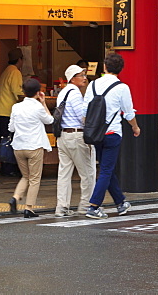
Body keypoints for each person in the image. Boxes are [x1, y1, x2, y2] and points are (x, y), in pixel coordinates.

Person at [84, 52, 141, 219]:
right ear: (121, 69)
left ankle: (120, 203)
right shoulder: (122, 88)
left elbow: (85, 110)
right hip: (112, 133)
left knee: (107, 169)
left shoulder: (92, 85)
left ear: (104, 67)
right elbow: (129, 114)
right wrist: (136, 128)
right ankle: (94, 206)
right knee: (107, 170)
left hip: (95, 133)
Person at [7, 78, 53, 218]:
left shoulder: (16, 107)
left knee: (25, 176)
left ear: (23, 91)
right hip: (34, 146)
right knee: (34, 179)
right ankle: (29, 208)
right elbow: (50, 120)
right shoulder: (38, 107)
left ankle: (15, 197)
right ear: (38, 92)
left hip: (19, 147)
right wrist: (44, 103)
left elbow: (11, 128)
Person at [54, 64, 96, 217]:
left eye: (85, 74)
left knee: (64, 174)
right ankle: (85, 206)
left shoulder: (62, 92)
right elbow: (82, 117)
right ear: (72, 78)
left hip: (63, 137)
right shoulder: (76, 94)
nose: (85, 78)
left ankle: (62, 207)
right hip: (77, 136)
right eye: (81, 75)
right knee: (88, 173)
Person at [0, 48, 25, 176]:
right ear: (20, 60)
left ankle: (4, 166)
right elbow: (17, 92)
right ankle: (8, 169)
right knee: (8, 140)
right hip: (7, 111)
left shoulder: (6, 71)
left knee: (3, 139)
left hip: (0, 110)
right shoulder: (15, 72)